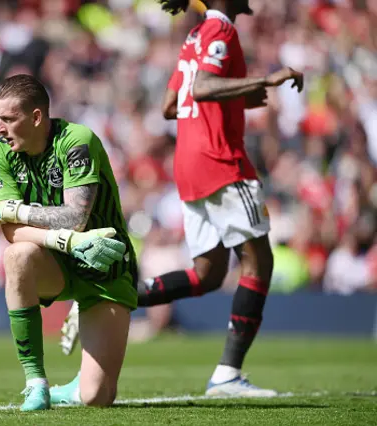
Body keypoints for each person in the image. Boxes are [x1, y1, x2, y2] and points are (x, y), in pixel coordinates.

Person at [60, 0, 304, 397]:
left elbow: (171, 105)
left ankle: (102, 295)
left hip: (188, 166)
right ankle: (227, 374)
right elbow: (204, 87)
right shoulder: (220, 31)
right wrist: (264, 82)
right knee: (259, 260)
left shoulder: (194, 36)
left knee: (207, 274)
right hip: (220, 161)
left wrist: (238, 99)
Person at [0, 74, 137, 411]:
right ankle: (36, 382)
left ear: (36, 117)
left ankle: (78, 375)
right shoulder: (0, 151)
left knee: (97, 398)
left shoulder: (77, 140)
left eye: (8, 119)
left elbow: (75, 215)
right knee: (16, 256)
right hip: (55, 261)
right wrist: (65, 242)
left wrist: (15, 209)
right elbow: (10, 231)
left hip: (103, 263)